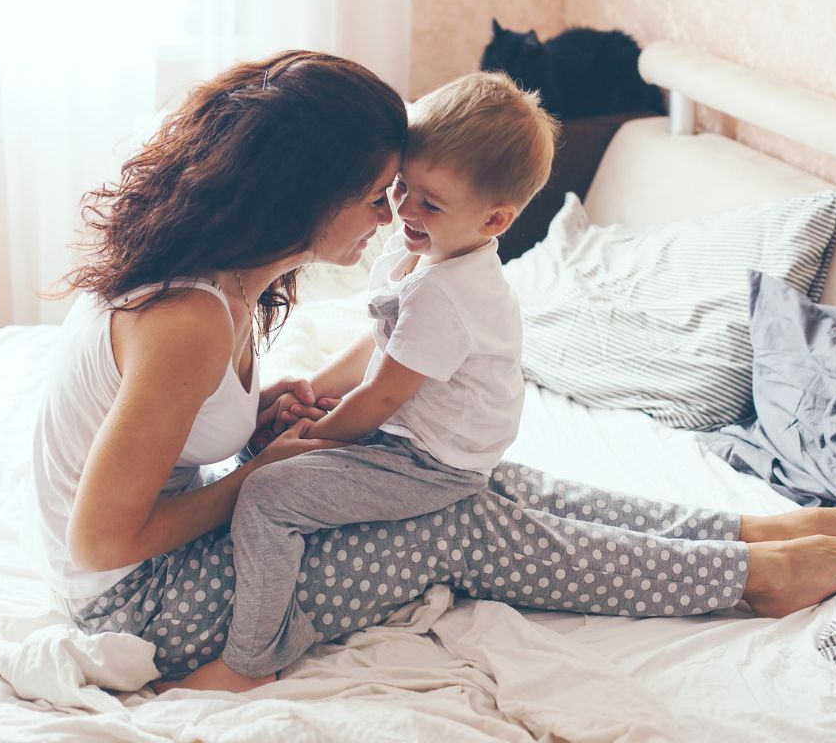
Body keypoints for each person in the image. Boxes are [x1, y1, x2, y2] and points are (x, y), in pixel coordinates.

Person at [29, 50, 836, 695]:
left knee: (492, 485)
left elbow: (183, 422)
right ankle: (749, 582)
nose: (391, 214)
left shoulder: (234, 273)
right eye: (378, 194)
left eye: (401, 192)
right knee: (457, 526)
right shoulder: (184, 318)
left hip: (161, 560)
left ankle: (742, 531)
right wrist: (262, 469)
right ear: (302, 194)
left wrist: (262, 413)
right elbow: (102, 542)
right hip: (137, 602)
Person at [179, 72, 558, 689]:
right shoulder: (420, 254)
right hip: (408, 428)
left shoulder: (447, 293)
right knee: (279, 438)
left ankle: (248, 662)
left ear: (494, 220)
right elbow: (380, 347)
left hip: (434, 464)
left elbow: (382, 394)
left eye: (430, 203)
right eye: (403, 187)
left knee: (268, 496)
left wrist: (317, 434)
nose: (402, 210)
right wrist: (313, 389)